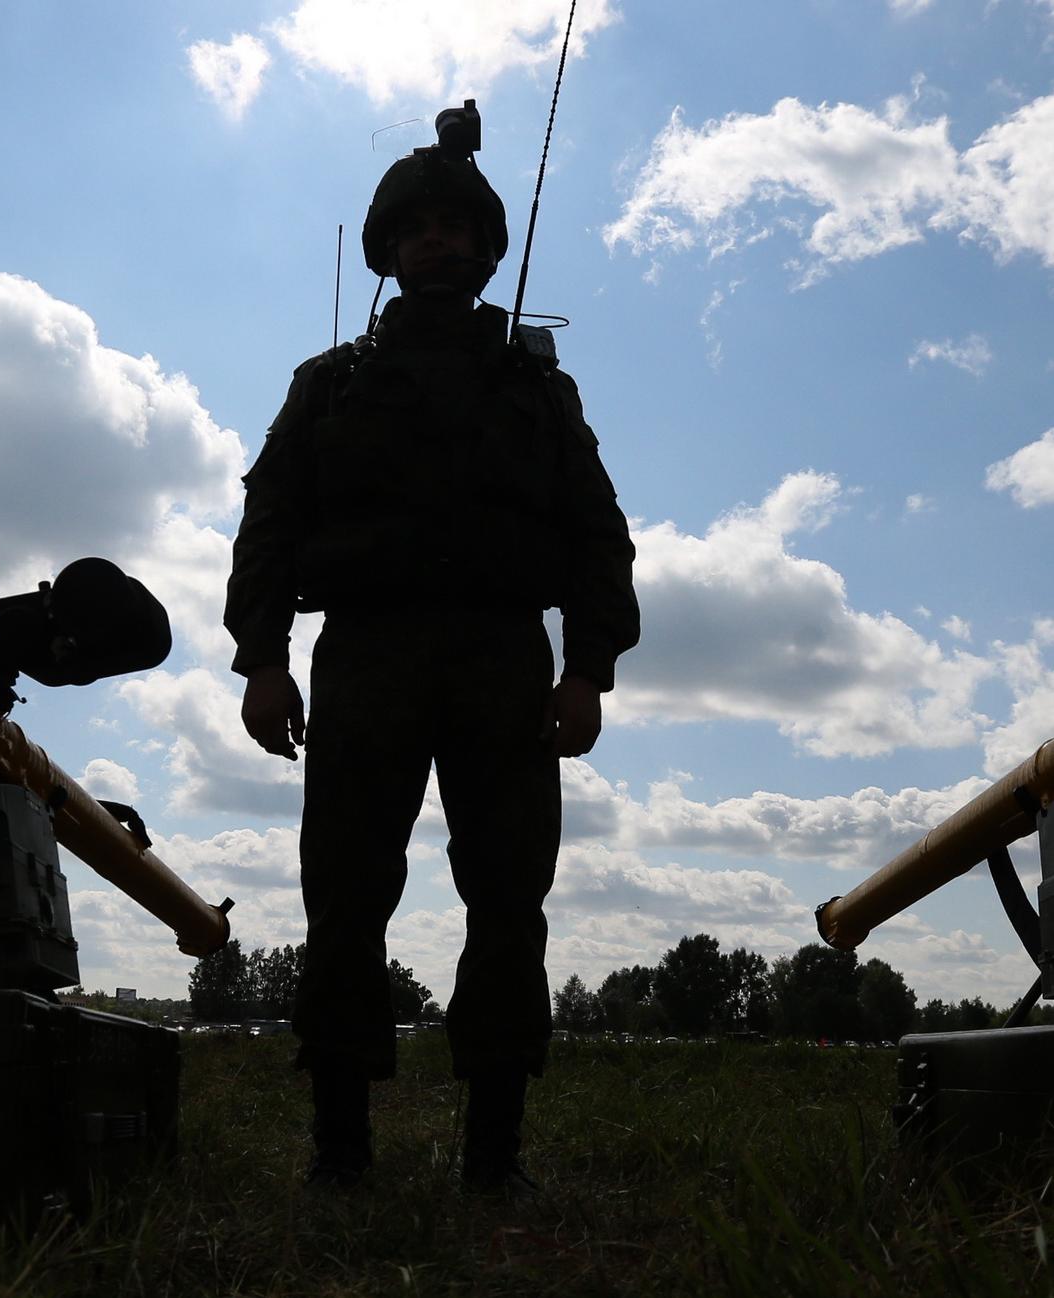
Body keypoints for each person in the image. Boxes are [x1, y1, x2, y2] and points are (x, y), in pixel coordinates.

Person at [223, 128, 639, 1191]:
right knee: (347, 898)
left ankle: (494, 1151)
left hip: (504, 653)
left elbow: (597, 533)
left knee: (509, 898)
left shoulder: (540, 389)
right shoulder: (330, 384)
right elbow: (268, 524)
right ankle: (341, 1147)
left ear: (487, 247)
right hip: (365, 650)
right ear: (388, 250)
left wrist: (588, 666)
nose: (438, 242)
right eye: (417, 228)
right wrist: (262, 659)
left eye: (456, 226)